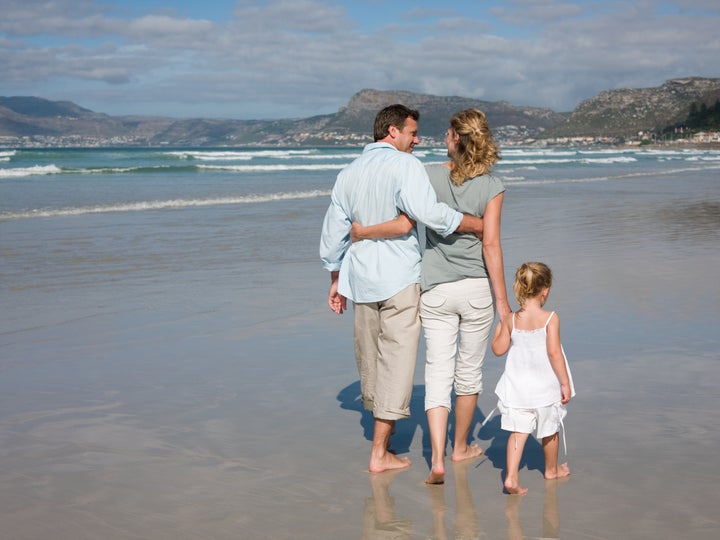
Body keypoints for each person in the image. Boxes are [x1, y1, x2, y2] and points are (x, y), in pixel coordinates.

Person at [319, 104, 485, 473]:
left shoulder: (347, 173)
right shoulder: (405, 165)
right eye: (412, 133)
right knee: (396, 363)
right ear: (392, 131)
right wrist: (473, 224)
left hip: (360, 280)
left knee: (371, 360)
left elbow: (334, 232)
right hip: (399, 279)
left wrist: (335, 277)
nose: (417, 139)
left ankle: (384, 438)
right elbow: (430, 213)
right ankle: (379, 452)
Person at [351, 109, 512, 484]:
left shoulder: (427, 175)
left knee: (437, 372)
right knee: (468, 374)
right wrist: (503, 305)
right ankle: (460, 447)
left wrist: (362, 233)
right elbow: (492, 246)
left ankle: (437, 458)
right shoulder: (493, 185)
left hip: (434, 290)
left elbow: (407, 221)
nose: (441, 138)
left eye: (447, 134)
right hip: (475, 291)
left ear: (456, 139)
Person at [490, 261, 576, 495]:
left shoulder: (511, 320)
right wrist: (565, 382)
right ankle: (551, 470)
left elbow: (497, 350)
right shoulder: (550, 318)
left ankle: (511, 477)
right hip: (545, 386)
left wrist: (501, 325)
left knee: (518, 431)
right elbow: (553, 352)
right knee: (550, 428)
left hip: (517, 386)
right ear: (545, 290)